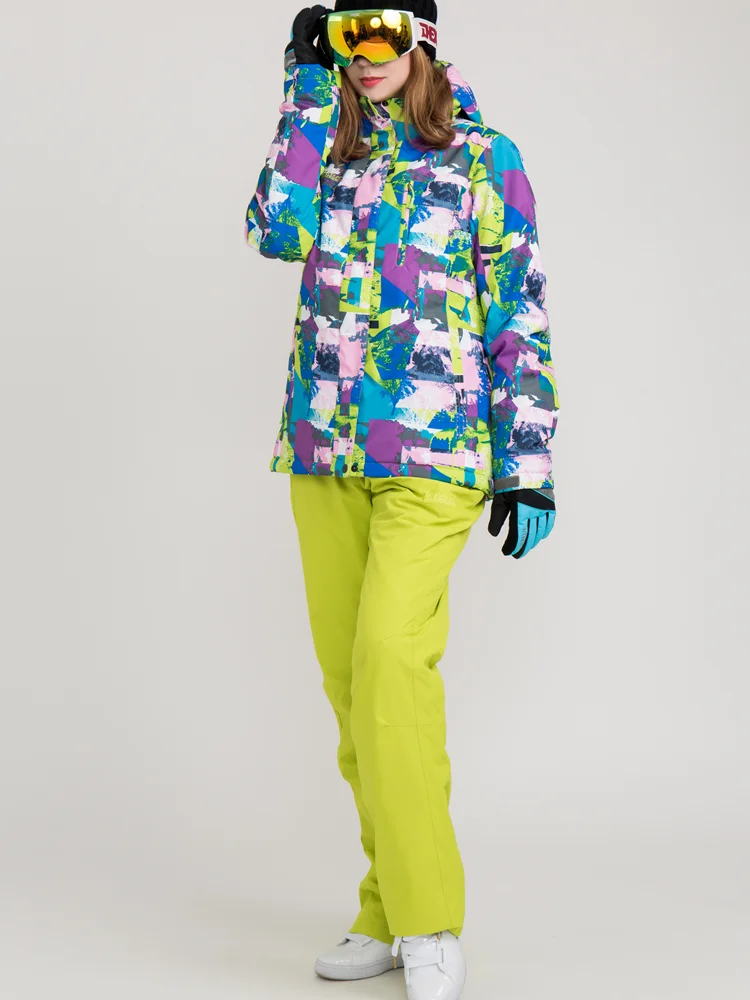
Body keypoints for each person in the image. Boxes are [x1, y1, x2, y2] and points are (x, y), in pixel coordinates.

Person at [244, 3, 559, 997]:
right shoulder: (326, 149)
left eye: (383, 30)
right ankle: (384, 906)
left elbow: (517, 308)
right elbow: (273, 231)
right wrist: (302, 90)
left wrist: (529, 460)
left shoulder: (485, 156)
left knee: (390, 661)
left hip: (436, 451)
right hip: (323, 448)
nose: (366, 55)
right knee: (355, 691)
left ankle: (427, 919)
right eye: (346, 37)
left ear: (422, 34)